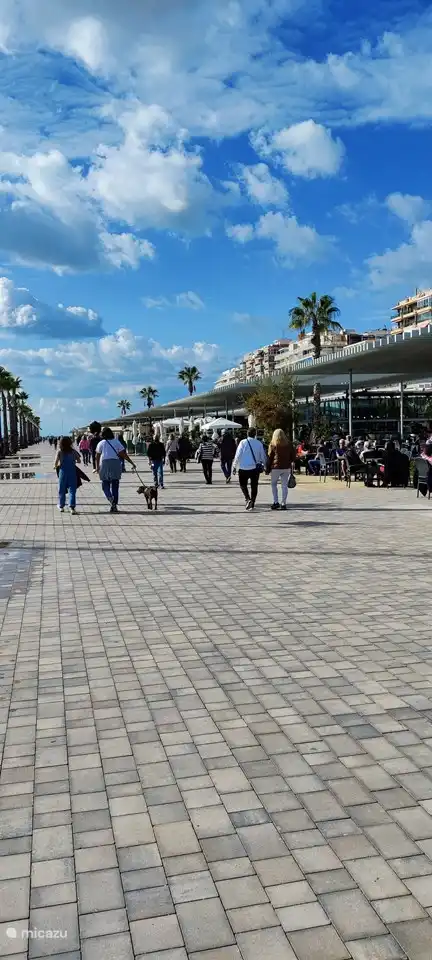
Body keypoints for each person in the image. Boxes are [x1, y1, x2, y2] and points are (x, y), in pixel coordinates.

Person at [96, 427, 136, 513]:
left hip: (104, 464)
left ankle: (110, 499)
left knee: (105, 484)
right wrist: (131, 463)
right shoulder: (117, 442)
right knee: (115, 485)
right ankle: (115, 503)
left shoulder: (101, 443)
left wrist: (97, 467)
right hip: (115, 463)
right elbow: (123, 454)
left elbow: (97, 456)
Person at [233, 427, 267, 510]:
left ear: (247, 434)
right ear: (255, 434)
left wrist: (234, 466)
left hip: (243, 467)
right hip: (255, 468)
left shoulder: (242, 442)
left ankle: (247, 498)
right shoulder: (259, 443)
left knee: (242, 485)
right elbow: (263, 456)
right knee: (254, 486)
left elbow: (238, 455)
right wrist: (265, 466)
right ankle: (253, 502)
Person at [267, 429, 295, 510]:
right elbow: (293, 456)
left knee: (273, 484)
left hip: (276, 468)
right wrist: (289, 461)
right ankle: (283, 503)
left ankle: (275, 502)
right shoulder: (289, 444)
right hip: (286, 467)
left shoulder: (273, 444)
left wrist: (268, 469)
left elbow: (270, 457)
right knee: (284, 485)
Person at [54, 436, 81, 514]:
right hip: (72, 472)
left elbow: (56, 462)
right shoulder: (73, 451)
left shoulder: (60, 451)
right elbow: (79, 461)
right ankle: (72, 507)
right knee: (72, 490)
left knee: (61, 489)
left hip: (63, 472)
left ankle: (61, 506)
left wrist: (55, 466)